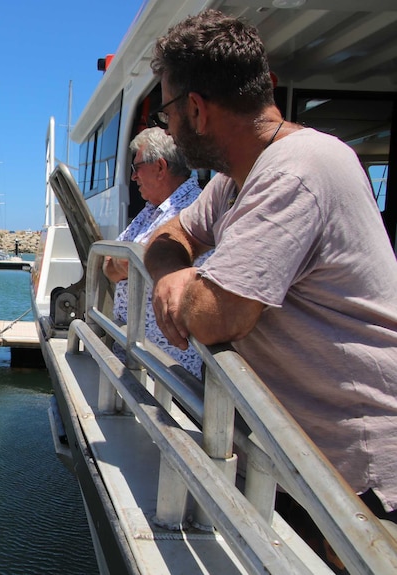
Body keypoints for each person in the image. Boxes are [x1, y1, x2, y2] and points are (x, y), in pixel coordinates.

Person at [144, 9, 397, 528]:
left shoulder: (297, 170)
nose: (166, 126)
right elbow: (168, 236)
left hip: (352, 473)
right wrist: (173, 274)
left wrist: (192, 285)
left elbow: (216, 317)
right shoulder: (237, 176)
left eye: (165, 112)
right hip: (299, 454)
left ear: (195, 109)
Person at [103, 127, 208, 376]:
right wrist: (125, 262)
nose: (133, 178)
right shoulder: (151, 210)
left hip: (169, 370)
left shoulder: (195, 208)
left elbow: (130, 262)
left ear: (160, 167)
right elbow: (109, 263)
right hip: (137, 355)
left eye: (136, 168)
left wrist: (125, 262)